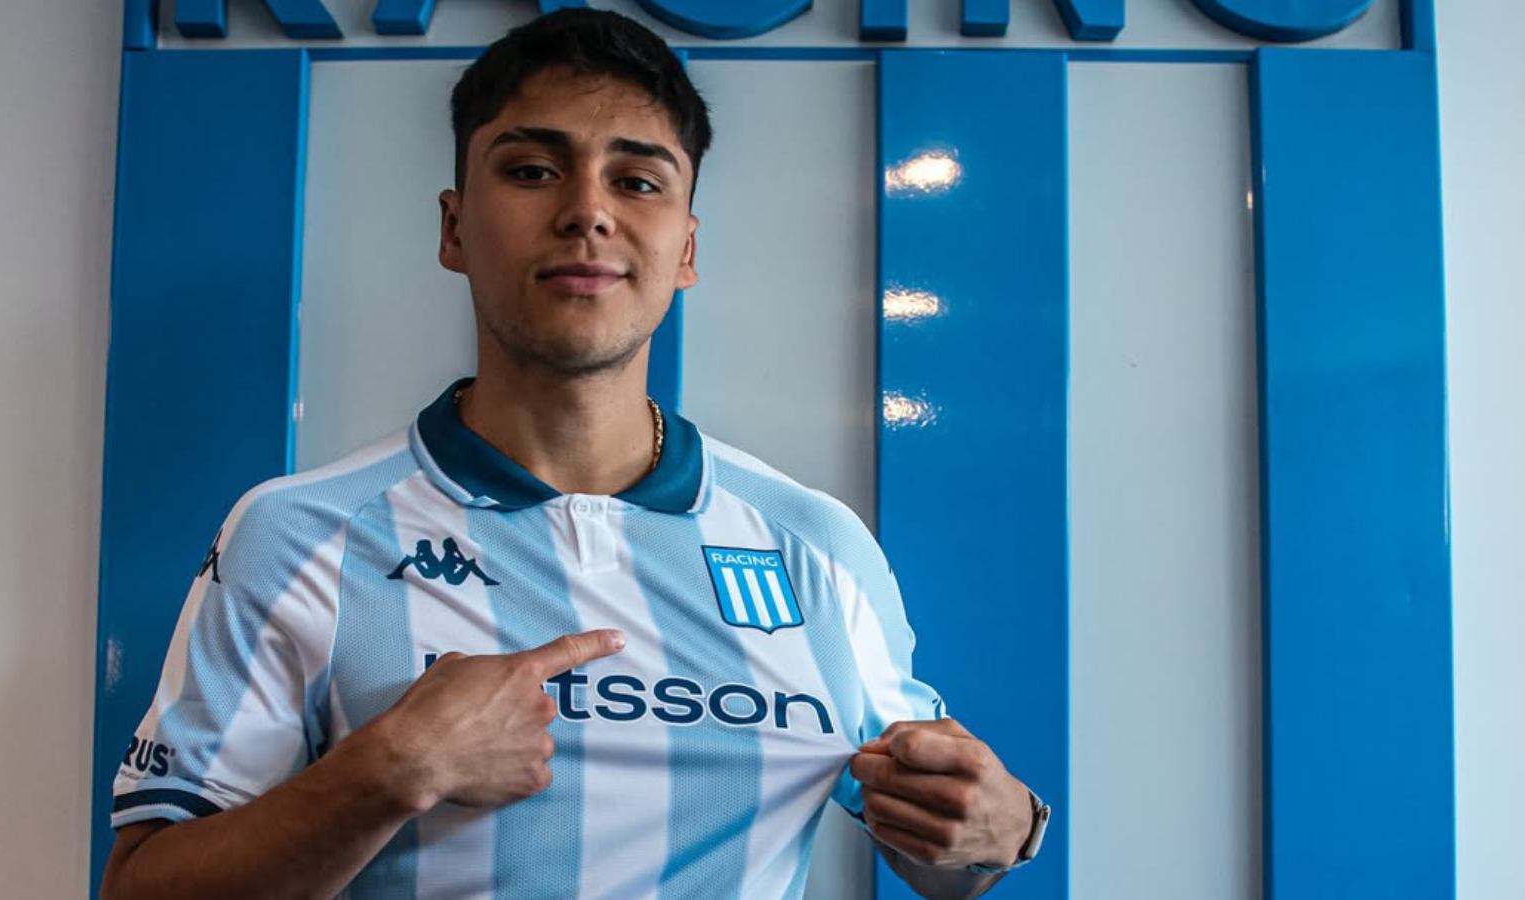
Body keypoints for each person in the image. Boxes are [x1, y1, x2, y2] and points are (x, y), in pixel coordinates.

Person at [102, 9, 1047, 899]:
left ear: (684, 247)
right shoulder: (298, 532)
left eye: (637, 180)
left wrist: (1002, 830)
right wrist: (392, 770)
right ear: (453, 228)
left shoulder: (814, 545)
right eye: (530, 170)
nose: (587, 210)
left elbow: (942, 849)